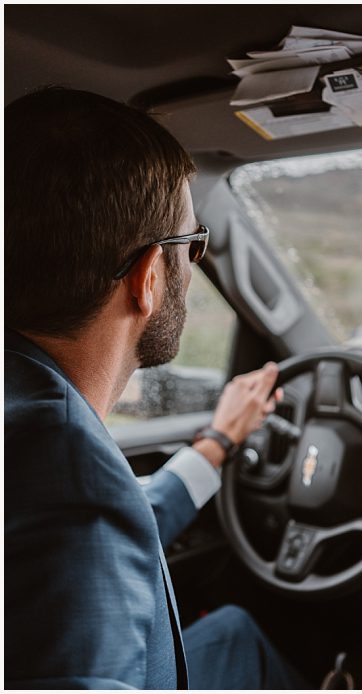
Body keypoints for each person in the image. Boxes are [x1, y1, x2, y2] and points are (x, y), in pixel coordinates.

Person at [5, 87, 303, 688]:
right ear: (146, 277)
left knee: (234, 631)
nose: (191, 269)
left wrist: (217, 443)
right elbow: (92, 517)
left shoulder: (27, 406)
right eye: (192, 248)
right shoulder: (65, 466)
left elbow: (118, 523)